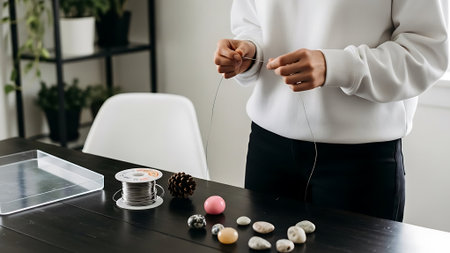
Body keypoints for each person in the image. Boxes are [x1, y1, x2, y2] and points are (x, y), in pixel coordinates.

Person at [213, 0, 448, 221]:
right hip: (267, 152)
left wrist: (336, 66)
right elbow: (252, 22)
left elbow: (426, 52)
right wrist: (250, 52)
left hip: (361, 164)